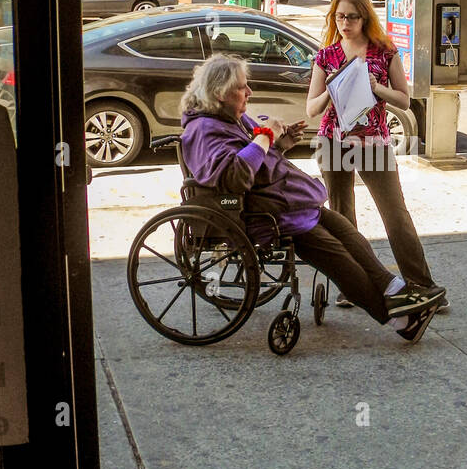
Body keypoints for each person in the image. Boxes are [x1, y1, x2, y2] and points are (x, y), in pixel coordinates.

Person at [179, 56, 444, 342]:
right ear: (220, 93)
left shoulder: (229, 117)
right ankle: (401, 320)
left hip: (282, 201)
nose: (250, 92)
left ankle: (395, 290)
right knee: (337, 256)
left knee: (345, 230)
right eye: (243, 88)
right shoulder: (204, 130)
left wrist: (279, 143)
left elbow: (257, 160)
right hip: (262, 214)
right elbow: (235, 175)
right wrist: (265, 137)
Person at [306, 0, 448, 312]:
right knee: (343, 216)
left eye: (352, 17)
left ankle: (422, 285)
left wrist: (377, 88)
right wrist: (330, 90)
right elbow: (311, 109)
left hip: (374, 143)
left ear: (365, 17)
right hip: (334, 143)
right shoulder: (326, 55)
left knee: (395, 215)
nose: (345, 23)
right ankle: (351, 286)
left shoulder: (384, 52)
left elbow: (405, 99)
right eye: (340, 17)